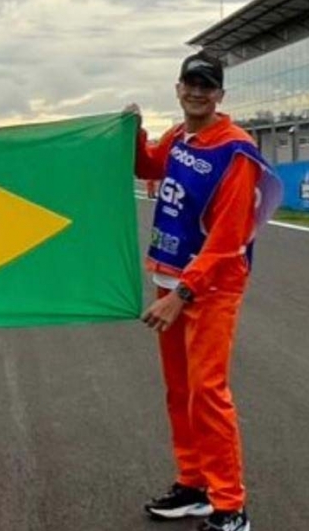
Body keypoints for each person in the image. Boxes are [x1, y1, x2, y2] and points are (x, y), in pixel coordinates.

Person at [126, 51, 281, 531]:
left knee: (208, 393)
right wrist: (133, 131)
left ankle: (230, 506)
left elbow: (229, 239)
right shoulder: (179, 135)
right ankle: (193, 484)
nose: (197, 92)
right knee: (180, 392)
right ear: (178, 88)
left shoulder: (235, 151)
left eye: (206, 86)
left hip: (209, 288)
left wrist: (182, 295)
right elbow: (148, 167)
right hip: (169, 277)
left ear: (219, 94)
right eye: (190, 83)